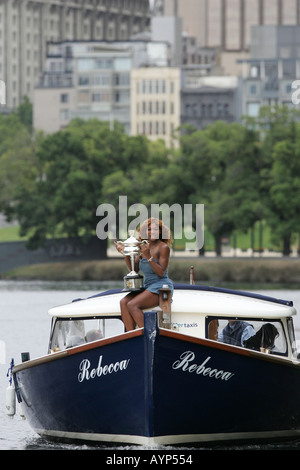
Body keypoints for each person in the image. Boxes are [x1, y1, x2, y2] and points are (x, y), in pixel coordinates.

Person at [114, 217, 173, 331]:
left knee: (132, 305)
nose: (152, 232)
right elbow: (134, 269)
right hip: (147, 285)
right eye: (149, 229)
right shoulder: (142, 247)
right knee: (123, 302)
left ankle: (149, 335)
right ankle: (131, 336)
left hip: (161, 286)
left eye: (156, 229)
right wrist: (125, 253)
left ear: (160, 231)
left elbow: (161, 272)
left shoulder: (163, 247)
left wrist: (147, 256)